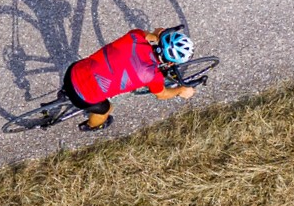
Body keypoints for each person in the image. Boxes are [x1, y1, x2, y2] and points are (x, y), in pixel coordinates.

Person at [62, 27, 196, 132]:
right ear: (171, 63)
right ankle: (91, 126)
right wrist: (180, 90)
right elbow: (162, 95)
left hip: (73, 71)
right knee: (106, 110)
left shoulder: (135, 36)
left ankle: (65, 91)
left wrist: (156, 35)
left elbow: (148, 35)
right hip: (82, 98)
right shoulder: (153, 76)